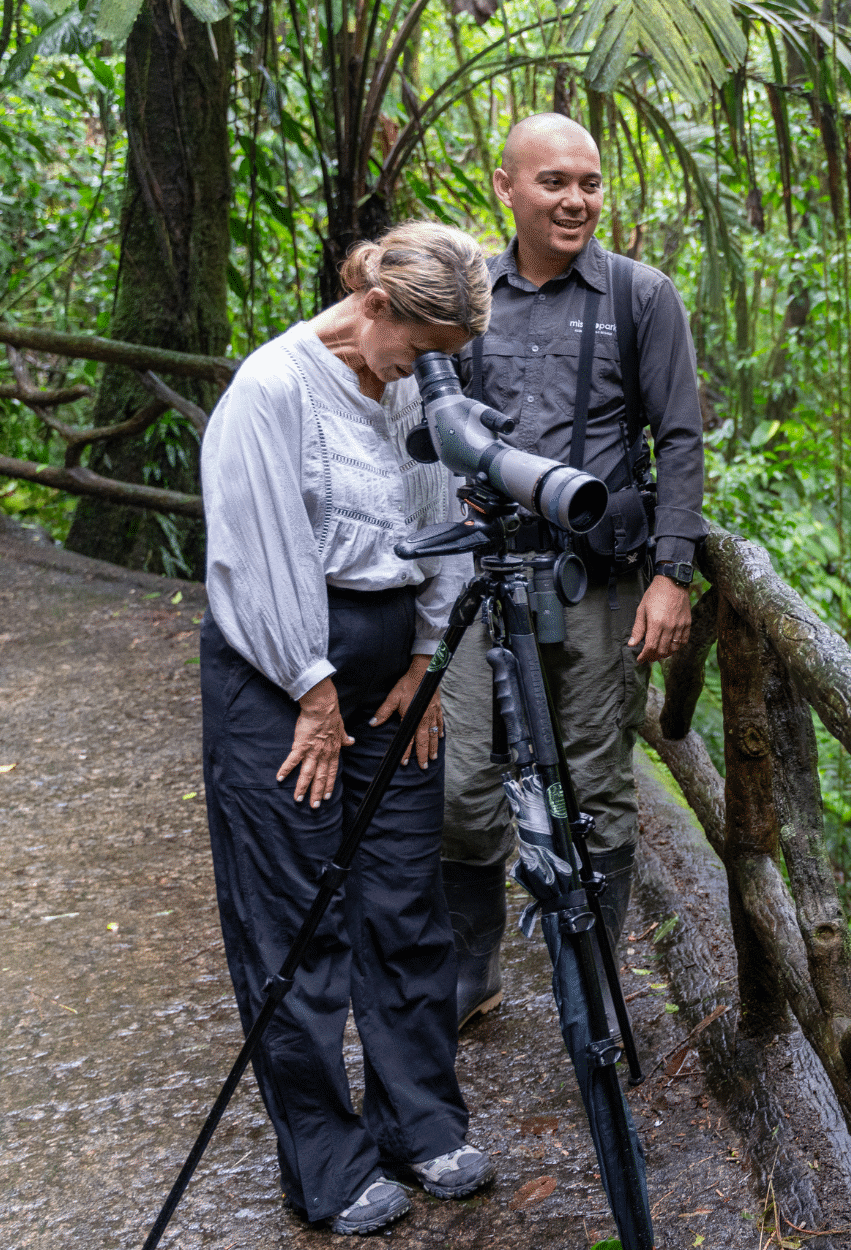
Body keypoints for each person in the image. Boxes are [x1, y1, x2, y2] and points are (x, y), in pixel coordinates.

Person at [199, 221, 497, 1235]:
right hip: (282, 674)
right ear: (373, 306)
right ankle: (324, 1158)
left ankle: (420, 1119)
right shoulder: (272, 388)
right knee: (295, 922)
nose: (425, 371)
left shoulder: (411, 383)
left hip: (394, 667)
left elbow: (436, 513)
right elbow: (258, 548)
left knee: (406, 902)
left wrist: (425, 661)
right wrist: (313, 691)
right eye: (419, 348)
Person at [440, 113, 705, 1030]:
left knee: (597, 786)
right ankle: (471, 969)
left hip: (598, 584)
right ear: (507, 187)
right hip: (485, 584)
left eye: (590, 183)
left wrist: (673, 573)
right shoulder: (468, 296)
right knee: (463, 784)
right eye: (554, 181)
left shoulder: (640, 296)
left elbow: (679, 438)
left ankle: (590, 991)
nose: (577, 200)